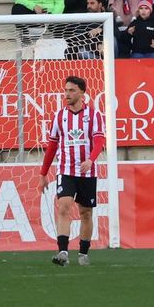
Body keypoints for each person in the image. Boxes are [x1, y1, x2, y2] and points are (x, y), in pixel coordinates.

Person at [40, 75, 106, 267]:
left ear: (82, 92)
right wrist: (43, 173)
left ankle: (83, 253)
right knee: (63, 206)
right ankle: (62, 252)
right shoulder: (59, 116)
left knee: (86, 213)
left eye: (71, 90)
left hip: (87, 172)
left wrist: (90, 159)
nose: (67, 94)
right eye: (66, 90)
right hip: (65, 169)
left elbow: (99, 141)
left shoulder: (94, 115)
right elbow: (52, 146)